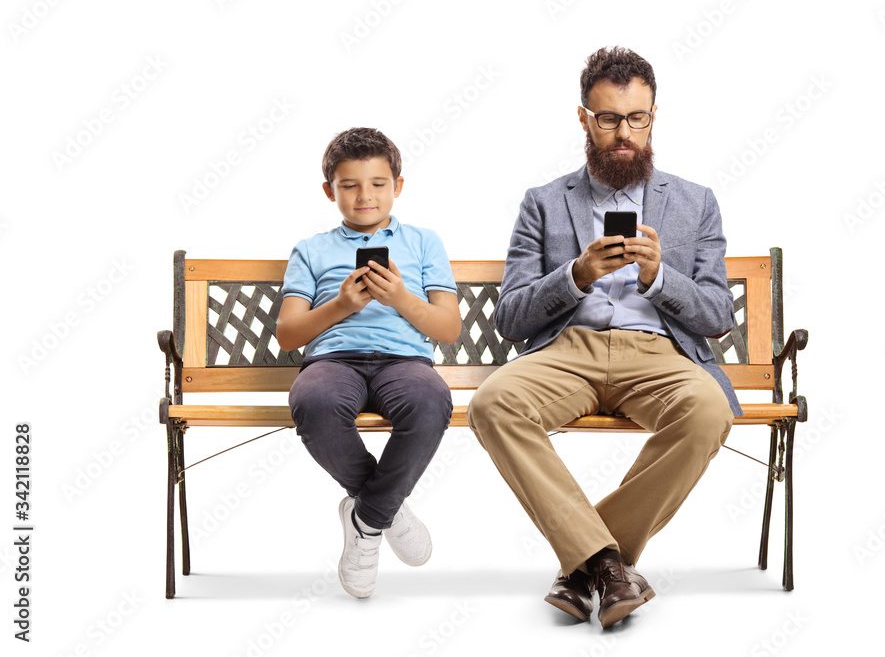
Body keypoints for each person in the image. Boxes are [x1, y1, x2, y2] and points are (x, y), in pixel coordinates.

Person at [466, 47, 741, 628]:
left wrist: (660, 277)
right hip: (569, 351)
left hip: (658, 354)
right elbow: (512, 318)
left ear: (654, 117)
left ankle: (585, 564)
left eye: (636, 118)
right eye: (609, 119)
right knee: (491, 403)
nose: (623, 134)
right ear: (584, 119)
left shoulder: (695, 203)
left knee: (708, 409)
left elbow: (717, 314)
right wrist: (576, 275)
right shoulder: (542, 203)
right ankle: (611, 565)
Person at [276, 127, 461, 599]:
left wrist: (400, 297)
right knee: (314, 400)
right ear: (329, 191)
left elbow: (448, 329)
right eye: (350, 185)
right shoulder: (311, 250)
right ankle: (386, 511)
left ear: (398, 186)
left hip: (406, 360)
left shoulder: (423, 242)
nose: (365, 196)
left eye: (378, 184)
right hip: (334, 359)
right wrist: (341, 305)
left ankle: (365, 518)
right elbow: (288, 335)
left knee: (431, 400)